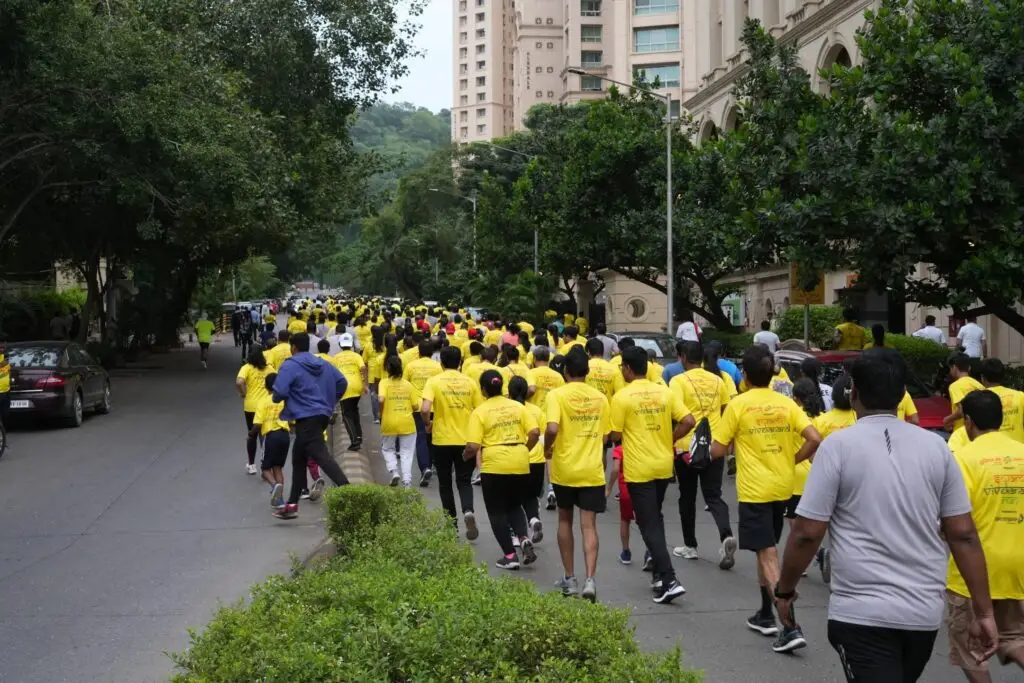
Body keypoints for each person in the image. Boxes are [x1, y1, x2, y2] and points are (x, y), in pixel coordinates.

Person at [776, 348, 998, 680]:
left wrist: (784, 590)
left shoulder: (838, 447)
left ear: (854, 393)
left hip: (860, 616)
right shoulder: (937, 448)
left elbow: (807, 532)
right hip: (921, 616)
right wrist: (985, 612)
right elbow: (963, 535)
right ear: (903, 395)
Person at [710, 344, 821, 653]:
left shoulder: (739, 404)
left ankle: (789, 625)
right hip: (782, 487)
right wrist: (792, 461)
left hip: (755, 490)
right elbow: (814, 438)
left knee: (767, 554)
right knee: (766, 549)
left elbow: (717, 449)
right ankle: (764, 613)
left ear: (744, 374)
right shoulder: (787, 404)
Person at [946, 391, 1024, 681]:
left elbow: (953, 520)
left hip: (973, 571)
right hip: (1018, 568)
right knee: (1012, 638)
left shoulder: (963, 459)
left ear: (968, 422)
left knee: (970, 650)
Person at [609, 346, 695, 604]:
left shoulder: (622, 397)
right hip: (663, 465)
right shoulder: (664, 392)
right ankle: (659, 575)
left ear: (627, 368)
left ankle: (669, 579)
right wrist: (671, 437)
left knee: (647, 524)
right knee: (654, 518)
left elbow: (614, 434)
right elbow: (689, 421)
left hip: (639, 468)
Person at [543, 349, 611, 601]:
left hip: (564, 468)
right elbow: (606, 436)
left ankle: (570, 578)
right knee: (589, 525)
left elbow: (551, 427)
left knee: (564, 520)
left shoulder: (556, 395)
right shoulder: (601, 398)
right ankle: (590, 580)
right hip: (592, 469)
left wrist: (547, 446)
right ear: (588, 372)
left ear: (565, 371)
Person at [668, 342, 737, 569]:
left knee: (687, 497)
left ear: (684, 357)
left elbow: (677, 414)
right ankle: (726, 535)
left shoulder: (677, 382)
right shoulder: (718, 380)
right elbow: (727, 410)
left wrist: (670, 438)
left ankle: (690, 545)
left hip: (687, 448)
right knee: (713, 496)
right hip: (713, 447)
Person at [463, 370, 540, 570]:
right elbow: (534, 432)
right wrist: (525, 449)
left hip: (494, 465)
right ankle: (523, 538)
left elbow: (472, 446)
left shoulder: (480, 411)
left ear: (483, 389)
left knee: (496, 512)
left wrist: (465, 457)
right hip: (520, 461)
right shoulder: (518, 407)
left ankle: (510, 555)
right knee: (515, 506)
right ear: (502, 386)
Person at [271, 333, 349, 519]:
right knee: (298, 460)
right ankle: (291, 505)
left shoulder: (290, 364)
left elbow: (279, 391)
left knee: (321, 456)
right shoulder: (323, 363)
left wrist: (279, 396)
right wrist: (329, 401)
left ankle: (349, 492)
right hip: (321, 416)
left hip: (306, 418)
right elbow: (342, 382)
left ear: (294, 347)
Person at [422, 345, 481, 539]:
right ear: (461, 362)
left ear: (442, 363)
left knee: (445, 483)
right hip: (466, 439)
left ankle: (451, 525)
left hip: (441, 439)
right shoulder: (470, 382)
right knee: (464, 480)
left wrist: (428, 424)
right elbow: (480, 410)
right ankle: (468, 510)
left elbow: (424, 408)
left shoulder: (434, 381)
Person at [508, 376, 547, 546]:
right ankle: (533, 519)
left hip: (515, 458)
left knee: (512, 499)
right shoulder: (537, 411)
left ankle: (517, 535)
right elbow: (544, 437)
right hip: (537, 459)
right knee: (531, 497)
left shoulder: (507, 409)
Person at [405, 339, 443, 486]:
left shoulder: (410, 366)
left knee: (420, 437)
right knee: (432, 437)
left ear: (419, 352)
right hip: (433, 406)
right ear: (432, 352)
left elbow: (405, 386)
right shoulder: (437, 367)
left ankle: (425, 468)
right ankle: (432, 464)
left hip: (417, 407)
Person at [249, 373, 289, 509]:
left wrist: (251, 434)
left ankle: (274, 485)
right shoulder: (285, 400)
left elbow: (258, 424)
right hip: (285, 436)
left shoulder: (263, 401)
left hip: (271, 437)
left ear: (266, 387)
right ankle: (280, 501)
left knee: (266, 469)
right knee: (278, 468)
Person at [378, 356, 418, 487]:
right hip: (407, 422)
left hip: (389, 421)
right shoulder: (408, 385)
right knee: (406, 452)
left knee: (387, 449)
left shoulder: (383, 383)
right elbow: (416, 406)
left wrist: (381, 412)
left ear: (388, 369)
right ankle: (407, 481)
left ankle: (394, 471)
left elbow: (381, 399)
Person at [236, 347, 274, 475]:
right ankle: (265, 464)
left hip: (251, 406)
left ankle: (251, 465)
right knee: (265, 435)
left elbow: (239, 382)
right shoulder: (269, 368)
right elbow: (277, 379)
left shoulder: (247, 367)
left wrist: (244, 393)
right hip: (266, 405)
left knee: (252, 434)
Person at [978, 358, 1024, 443]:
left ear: (983, 378)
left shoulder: (979, 400)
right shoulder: (1020, 396)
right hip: (1019, 450)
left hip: (992, 452)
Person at [944, 353, 985, 432]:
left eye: (950, 368)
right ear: (969, 368)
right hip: (979, 431)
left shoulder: (955, 386)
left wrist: (947, 419)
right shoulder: (978, 384)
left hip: (963, 432)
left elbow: (963, 409)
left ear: (954, 368)